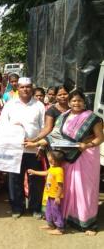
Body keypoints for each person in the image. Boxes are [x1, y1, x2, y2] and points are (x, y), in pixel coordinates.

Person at [25, 89, 103, 235]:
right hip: (67, 157)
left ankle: (88, 223)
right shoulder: (63, 117)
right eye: (73, 100)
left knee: (84, 189)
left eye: (79, 100)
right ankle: (65, 218)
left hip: (85, 157)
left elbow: (100, 137)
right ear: (69, 102)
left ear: (84, 102)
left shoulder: (92, 118)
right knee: (68, 189)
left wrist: (88, 145)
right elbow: (53, 136)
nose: (76, 103)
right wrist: (34, 143)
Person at [0, 77, 45, 219]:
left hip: (34, 149)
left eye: (28, 87)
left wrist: (40, 147)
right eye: (22, 87)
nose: (25, 89)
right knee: (14, 180)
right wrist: (13, 128)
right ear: (17, 88)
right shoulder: (10, 105)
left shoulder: (39, 106)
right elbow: (2, 124)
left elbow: (44, 128)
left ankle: (35, 208)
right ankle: (17, 207)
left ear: (32, 88)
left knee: (35, 180)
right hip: (15, 150)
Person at [28, 150, 65, 235]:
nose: (48, 160)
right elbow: (45, 173)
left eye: (50, 159)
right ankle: (51, 224)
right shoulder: (52, 168)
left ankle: (60, 228)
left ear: (54, 161)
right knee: (48, 210)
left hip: (55, 196)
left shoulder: (59, 170)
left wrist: (58, 196)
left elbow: (60, 185)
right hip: (49, 195)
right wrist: (34, 172)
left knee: (56, 211)